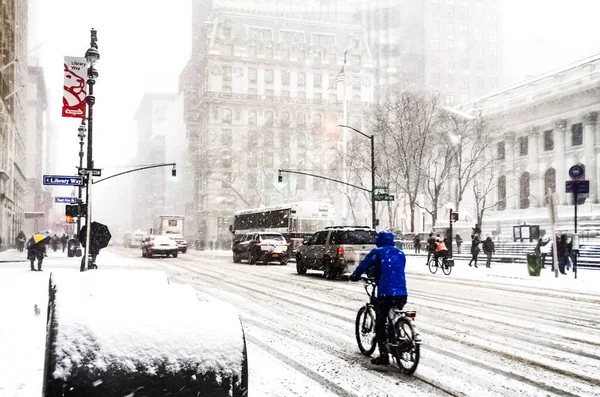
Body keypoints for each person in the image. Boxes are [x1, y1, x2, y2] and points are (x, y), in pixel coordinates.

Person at [350, 231, 407, 366]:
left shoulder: (378, 252)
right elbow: (394, 270)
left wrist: (355, 276)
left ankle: (384, 355)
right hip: (402, 292)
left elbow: (364, 265)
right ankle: (397, 340)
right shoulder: (400, 253)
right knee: (393, 317)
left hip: (385, 292)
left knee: (380, 323)